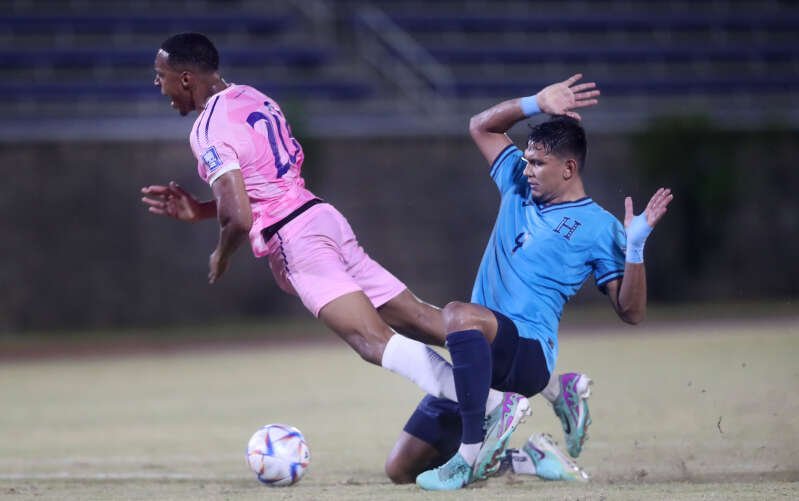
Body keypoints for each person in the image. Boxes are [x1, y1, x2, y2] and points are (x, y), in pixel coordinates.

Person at [142, 33, 601, 481]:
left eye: (161, 77)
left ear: (186, 79)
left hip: (297, 241)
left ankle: (489, 407)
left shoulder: (205, 130)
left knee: (371, 341)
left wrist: (221, 254)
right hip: (321, 217)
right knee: (422, 320)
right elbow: (262, 188)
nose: (158, 87)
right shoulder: (253, 97)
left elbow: (240, 216)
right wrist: (202, 210)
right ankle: (547, 387)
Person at [395, 76, 673, 490]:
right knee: (401, 468)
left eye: (537, 163)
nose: (527, 169)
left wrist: (635, 250)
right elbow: (480, 126)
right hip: (477, 357)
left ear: (569, 168)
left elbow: (632, 312)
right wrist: (536, 102)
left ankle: (473, 450)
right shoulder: (517, 184)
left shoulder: (599, 227)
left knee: (455, 314)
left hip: (525, 354)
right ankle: (530, 457)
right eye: (526, 160)